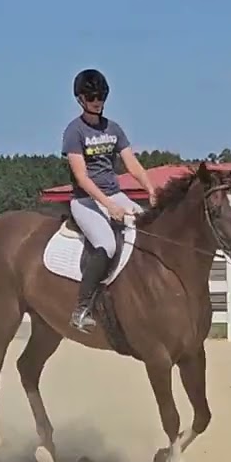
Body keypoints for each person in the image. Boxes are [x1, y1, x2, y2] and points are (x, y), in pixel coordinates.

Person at [60, 68, 157, 331]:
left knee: (148, 230)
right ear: (81, 99)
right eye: (92, 97)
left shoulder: (113, 129)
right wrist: (108, 205)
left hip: (115, 194)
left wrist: (150, 188)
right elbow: (82, 178)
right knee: (107, 245)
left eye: (101, 96)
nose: (97, 102)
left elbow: (132, 164)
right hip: (86, 201)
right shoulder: (74, 132)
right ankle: (82, 308)